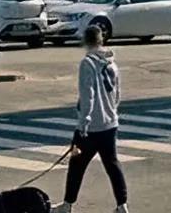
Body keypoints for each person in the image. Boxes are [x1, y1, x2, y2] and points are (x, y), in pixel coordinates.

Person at [53, 25, 129, 213]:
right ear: (101, 40)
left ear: (85, 41)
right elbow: (117, 94)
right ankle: (122, 205)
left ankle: (67, 205)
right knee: (112, 164)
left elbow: (88, 95)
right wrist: (111, 111)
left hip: (91, 128)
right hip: (110, 124)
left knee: (76, 165)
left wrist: (83, 124)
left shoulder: (87, 63)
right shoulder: (111, 63)